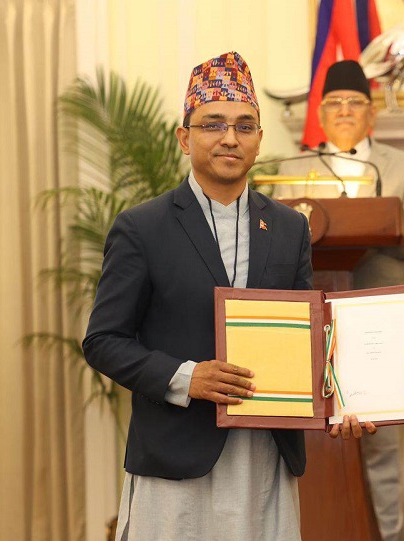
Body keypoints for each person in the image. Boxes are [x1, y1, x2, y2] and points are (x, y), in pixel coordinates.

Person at [83, 51, 314, 540]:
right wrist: (187, 378)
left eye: (245, 126)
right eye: (214, 124)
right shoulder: (142, 227)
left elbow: (307, 337)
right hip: (175, 461)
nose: (230, 138)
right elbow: (103, 341)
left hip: (265, 457)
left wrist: (344, 398)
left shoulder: (290, 227)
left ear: (259, 140)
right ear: (184, 138)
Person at [273, 59, 404, 541]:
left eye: (355, 102)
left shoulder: (403, 168)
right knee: (310, 441)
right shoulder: (290, 170)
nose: (344, 110)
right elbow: (274, 241)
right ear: (321, 115)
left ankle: (389, 536)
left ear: (372, 114)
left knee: (379, 439)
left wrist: (383, 225)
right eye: (334, 103)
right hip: (312, 318)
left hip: (378, 315)